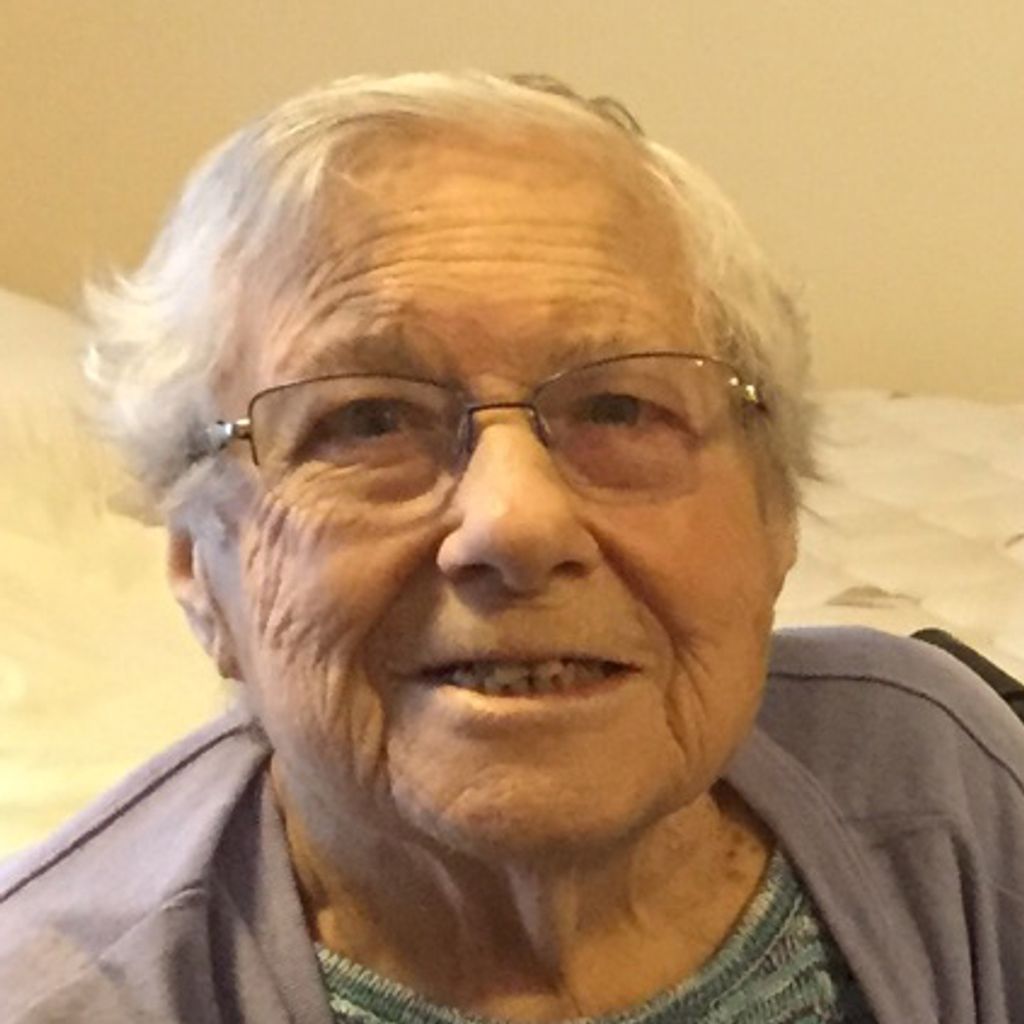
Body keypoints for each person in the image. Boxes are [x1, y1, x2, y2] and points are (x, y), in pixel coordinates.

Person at [2, 72, 1022, 1024]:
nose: (517, 523)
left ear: (775, 514)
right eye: (366, 421)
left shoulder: (934, 779)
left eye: (620, 406)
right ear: (198, 567)